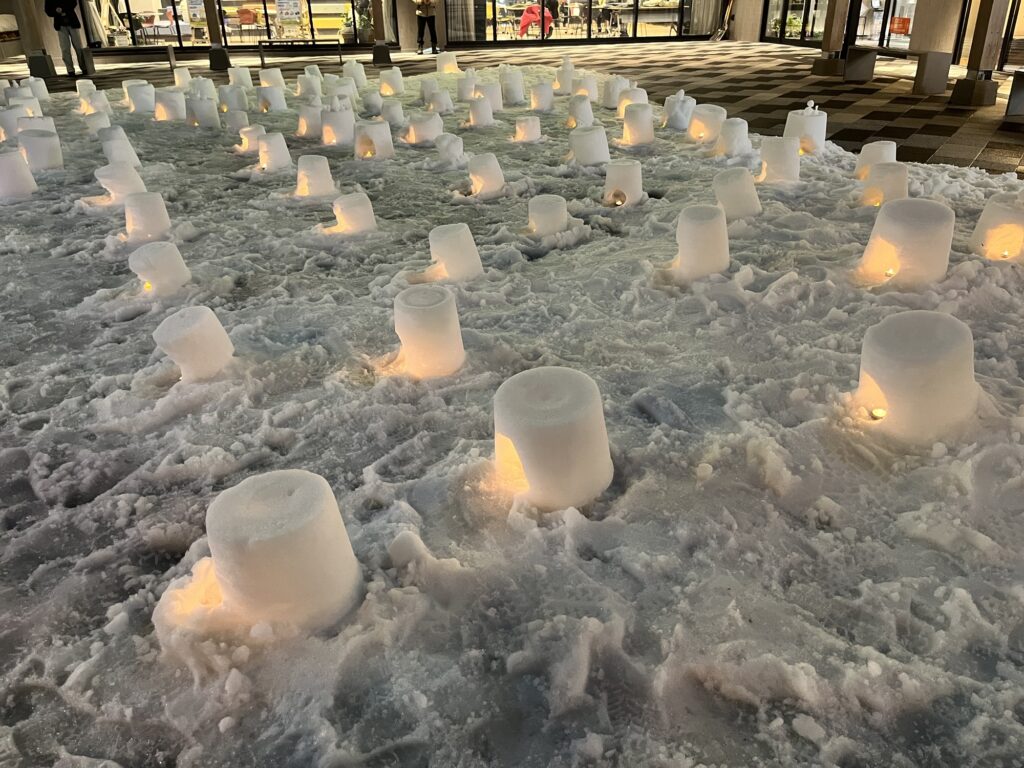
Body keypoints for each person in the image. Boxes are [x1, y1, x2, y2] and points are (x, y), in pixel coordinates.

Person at [44, 0, 87, 77]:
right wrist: (56, 11)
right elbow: (48, 10)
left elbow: (73, 3)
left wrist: (63, 9)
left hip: (72, 21)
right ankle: (70, 70)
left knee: (78, 46)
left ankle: (84, 67)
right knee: (65, 48)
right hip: (60, 25)